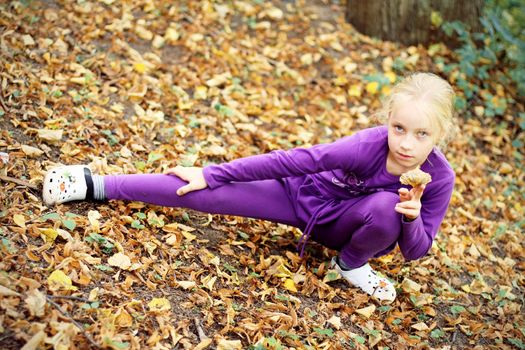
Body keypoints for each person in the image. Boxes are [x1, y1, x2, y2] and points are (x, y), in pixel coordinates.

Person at [42, 72, 456, 303]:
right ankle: (94, 183)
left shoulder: (439, 179)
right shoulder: (363, 146)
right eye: (398, 127)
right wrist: (212, 174)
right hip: (301, 198)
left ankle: (349, 266)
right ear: (387, 119)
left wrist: (413, 218)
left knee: (386, 209)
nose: (405, 143)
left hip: (351, 227)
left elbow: (416, 251)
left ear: (440, 135)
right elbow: (292, 160)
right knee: (200, 193)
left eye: (421, 134)